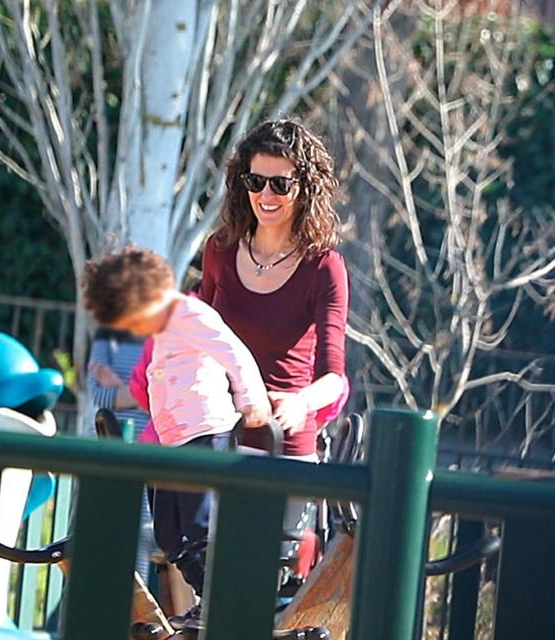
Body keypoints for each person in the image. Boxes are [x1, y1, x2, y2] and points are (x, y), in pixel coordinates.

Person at [81, 246, 271, 631]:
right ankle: (208, 597)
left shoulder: (190, 313)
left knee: (199, 526)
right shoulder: (161, 333)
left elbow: (234, 353)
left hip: (204, 432)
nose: (135, 330)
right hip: (171, 444)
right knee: (169, 535)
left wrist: (252, 400)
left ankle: (225, 600)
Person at [200, 118, 349, 460]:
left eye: (280, 184)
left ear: (305, 189)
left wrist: (301, 402)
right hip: (216, 439)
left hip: (284, 449)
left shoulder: (324, 267)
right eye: (255, 182)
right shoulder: (219, 250)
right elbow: (199, 341)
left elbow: (334, 378)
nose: (265, 195)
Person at [85, 327, 154, 581]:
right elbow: (101, 395)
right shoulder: (108, 332)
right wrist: (143, 394)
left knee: (139, 534)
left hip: (147, 452)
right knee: (99, 530)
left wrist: (119, 386)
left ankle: (136, 615)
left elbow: (165, 397)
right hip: (107, 450)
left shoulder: (164, 332)